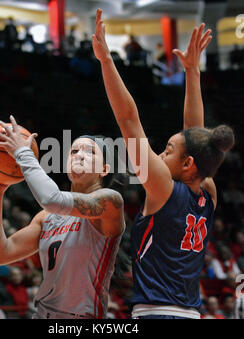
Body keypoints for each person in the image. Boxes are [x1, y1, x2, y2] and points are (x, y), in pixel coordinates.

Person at [92, 9, 235, 319]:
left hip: (155, 313)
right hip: (191, 314)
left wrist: (106, 62)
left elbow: (128, 119)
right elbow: (195, 137)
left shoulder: (162, 189)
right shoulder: (207, 190)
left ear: (186, 164)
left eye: (167, 150)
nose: (158, 155)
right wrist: (192, 73)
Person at [0, 116, 125, 319]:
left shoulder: (109, 203)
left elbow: (51, 198)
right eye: (74, 151)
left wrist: (23, 152)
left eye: (90, 152)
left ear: (104, 169)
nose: (79, 155)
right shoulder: (46, 218)